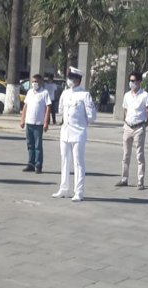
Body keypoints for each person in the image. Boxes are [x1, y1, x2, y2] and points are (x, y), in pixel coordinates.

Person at [52, 67, 96, 202]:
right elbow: (60, 111)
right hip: (65, 132)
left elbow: (92, 116)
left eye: (72, 77)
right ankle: (64, 188)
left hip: (78, 133)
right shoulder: (65, 93)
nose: (69, 80)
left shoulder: (85, 95)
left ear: (78, 79)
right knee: (64, 160)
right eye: (69, 77)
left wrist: (83, 123)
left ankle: (79, 191)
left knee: (78, 162)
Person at [115, 71, 148, 190]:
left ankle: (140, 181)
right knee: (126, 154)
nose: (131, 83)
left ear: (139, 82)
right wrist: (127, 121)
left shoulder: (145, 96)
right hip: (128, 127)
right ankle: (124, 178)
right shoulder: (127, 95)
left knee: (139, 156)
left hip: (139, 128)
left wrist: (144, 125)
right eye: (130, 81)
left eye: (133, 81)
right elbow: (126, 111)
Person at [20, 74, 51, 173]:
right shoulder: (29, 92)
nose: (34, 83)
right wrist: (22, 119)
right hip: (29, 122)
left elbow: (48, 108)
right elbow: (25, 106)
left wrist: (46, 122)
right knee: (30, 144)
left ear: (41, 82)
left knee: (38, 145)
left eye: (36, 81)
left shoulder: (44, 93)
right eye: (33, 81)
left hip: (38, 123)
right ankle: (31, 163)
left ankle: (38, 165)